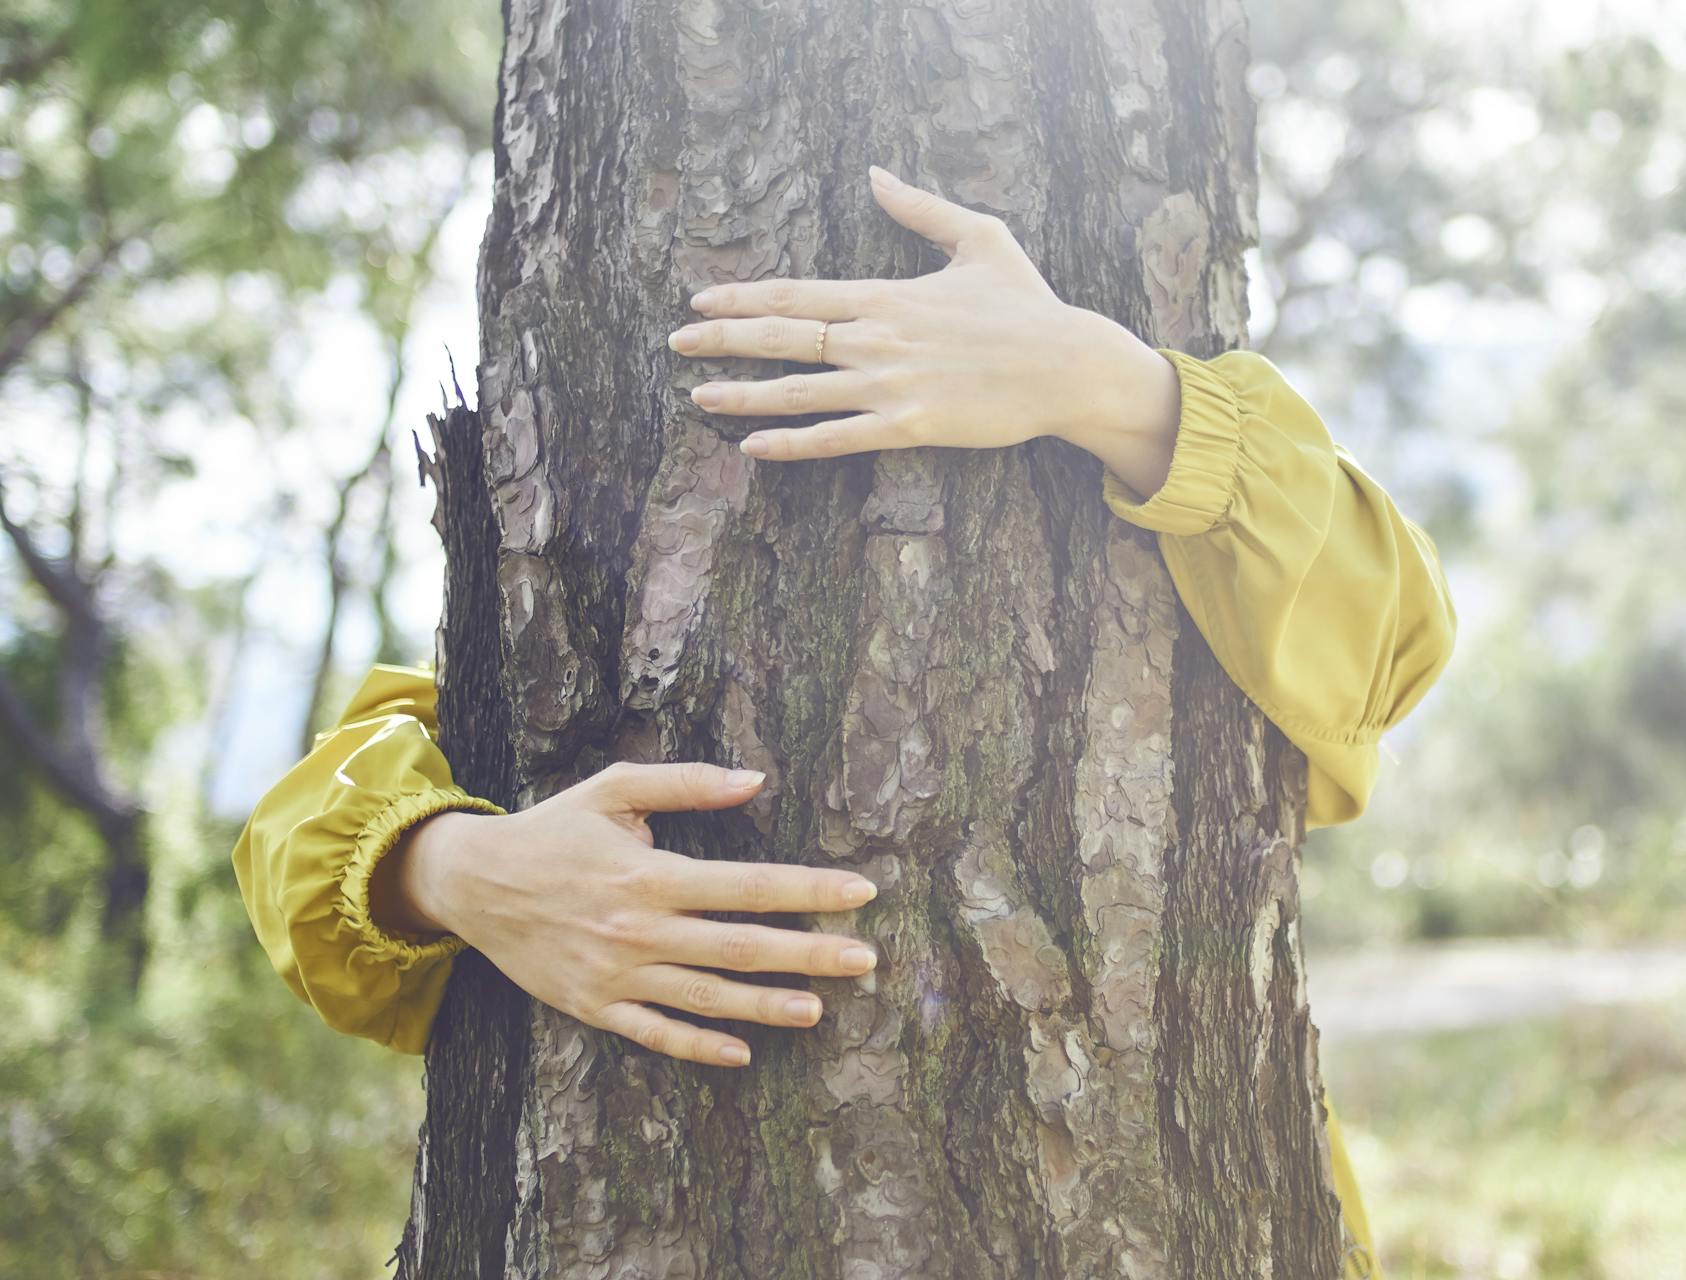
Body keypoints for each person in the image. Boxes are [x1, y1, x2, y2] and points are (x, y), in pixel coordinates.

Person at [233, 166, 1454, 1277]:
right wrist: (453, 864)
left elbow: (1387, 649)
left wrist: (1103, 384)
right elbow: (294, 834)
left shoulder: (1205, 547)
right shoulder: (551, 649)